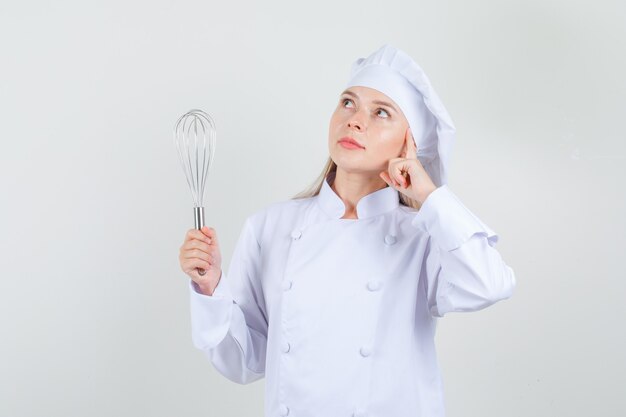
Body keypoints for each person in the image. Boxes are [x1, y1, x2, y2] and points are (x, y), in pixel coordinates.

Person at [178, 44, 516, 417]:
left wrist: (426, 194)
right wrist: (211, 288)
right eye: (348, 103)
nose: (354, 120)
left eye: (381, 112)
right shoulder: (270, 226)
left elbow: (489, 284)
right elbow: (244, 362)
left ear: (410, 143)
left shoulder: (423, 235)